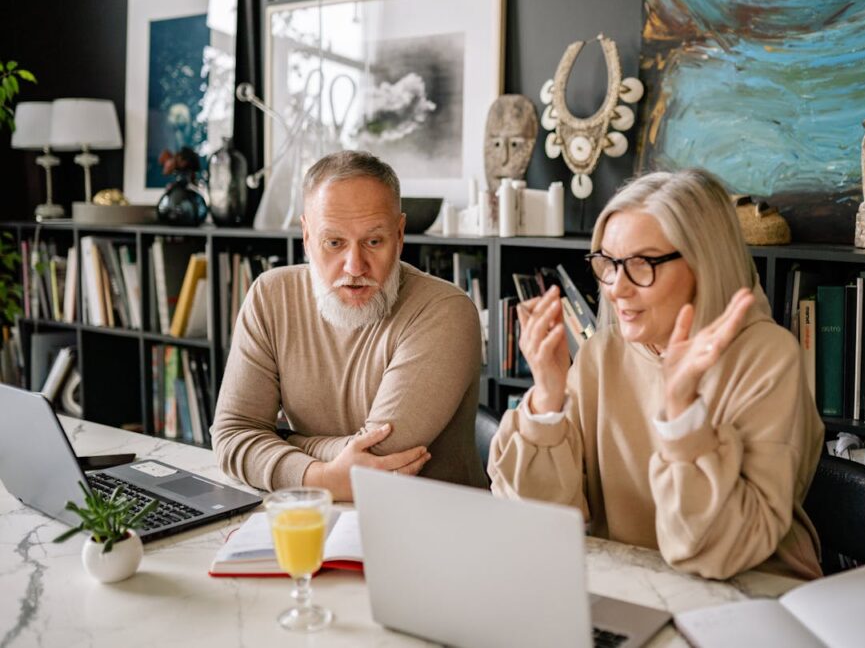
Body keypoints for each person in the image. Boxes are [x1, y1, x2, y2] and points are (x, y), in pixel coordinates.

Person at [488, 169, 824, 580]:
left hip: (751, 596)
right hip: (633, 586)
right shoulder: (601, 353)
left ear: (705, 263)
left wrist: (682, 413)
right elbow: (538, 524)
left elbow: (719, 552)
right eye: (608, 263)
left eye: (642, 263)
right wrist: (547, 399)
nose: (616, 288)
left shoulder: (768, 359)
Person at [212, 150, 486, 500]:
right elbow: (232, 435)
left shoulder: (445, 311)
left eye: (373, 241)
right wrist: (323, 477)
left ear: (400, 236)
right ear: (307, 238)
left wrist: (282, 440)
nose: (355, 266)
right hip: (319, 515)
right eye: (334, 243)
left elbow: (376, 461)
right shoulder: (270, 296)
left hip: (434, 527)